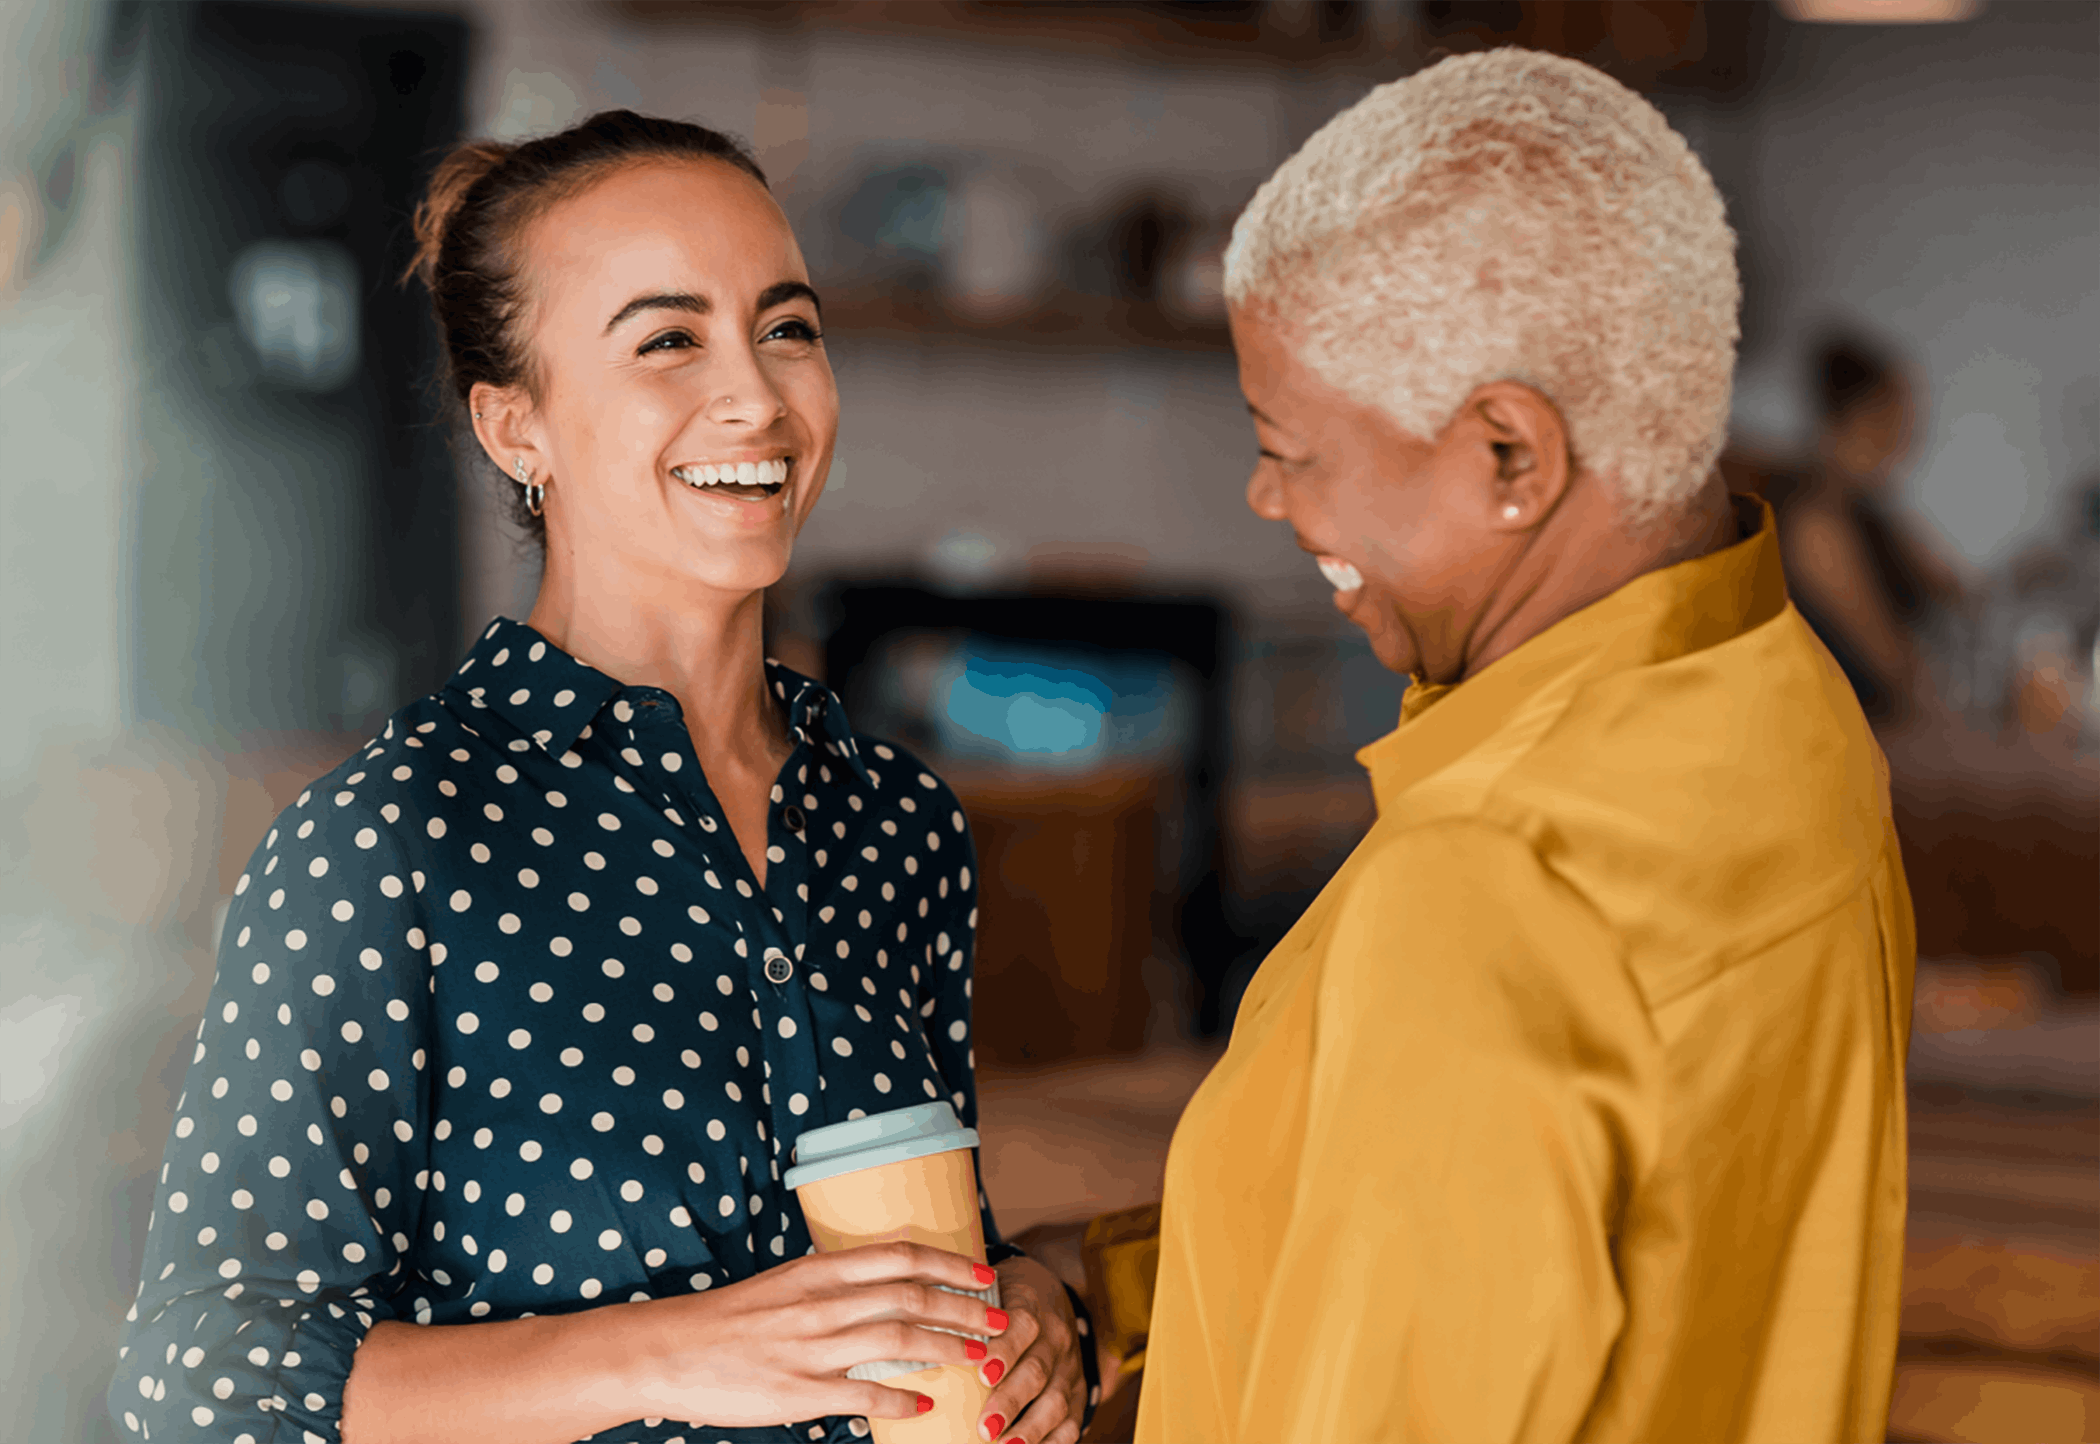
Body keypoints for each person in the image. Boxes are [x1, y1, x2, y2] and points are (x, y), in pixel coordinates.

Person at [107, 111, 1097, 1444]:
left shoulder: (898, 825)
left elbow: (918, 1255)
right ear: (519, 427)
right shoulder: (392, 842)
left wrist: (1035, 1297)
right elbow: (198, 1382)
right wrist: (661, 1356)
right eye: (668, 340)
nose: (756, 395)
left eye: (788, 328)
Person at [1132, 50, 1916, 1444]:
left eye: (1289, 443)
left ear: (1508, 455)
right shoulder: (1784, 707)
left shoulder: (1492, 883)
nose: (1265, 494)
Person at [1768, 331, 1974, 726]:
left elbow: (1955, 591)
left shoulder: (1871, 511)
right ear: (1856, 418)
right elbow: (1897, 672)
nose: (1911, 436)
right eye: (1897, 417)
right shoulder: (1816, 528)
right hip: (1857, 736)